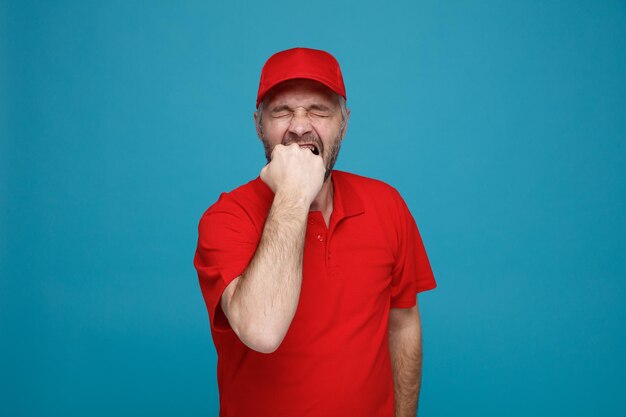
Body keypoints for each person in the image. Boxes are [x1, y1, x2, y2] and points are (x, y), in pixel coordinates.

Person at [194, 47, 436, 417]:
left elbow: (402, 324)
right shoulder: (227, 217)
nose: (300, 126)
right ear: (258, 124)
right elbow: (262, 329)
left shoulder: (387, 204)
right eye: (282, 111)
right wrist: (293, 192)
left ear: (344, 122)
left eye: (319, 110)